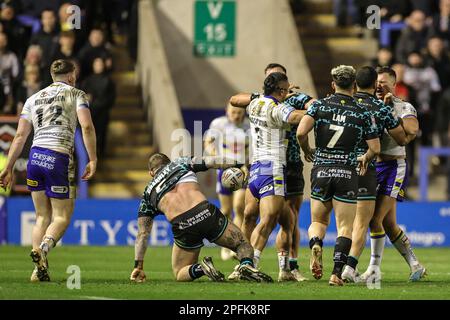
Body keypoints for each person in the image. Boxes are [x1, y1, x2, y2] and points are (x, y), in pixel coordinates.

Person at [0, 59, 97, 282]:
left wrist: (8, 168)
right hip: (58, 156)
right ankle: (43, 248)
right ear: (71, 76)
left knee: (42, 216)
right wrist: (93, 158)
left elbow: (20, 136)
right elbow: (87, 126)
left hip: (34, 158)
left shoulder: (32, 99)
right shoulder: (76, 94)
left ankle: (38, 271)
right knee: (62, 216)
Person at [296, 65, 381, 286]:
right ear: (354, 85)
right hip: (346, 172)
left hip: (321, 168)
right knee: (345, 227)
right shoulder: (364, 112)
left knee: (318, 221)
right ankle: (335, 274)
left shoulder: (319, 106)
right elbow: (375, 148)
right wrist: (365, 157)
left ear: (333, 84)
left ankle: (316, 242)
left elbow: (300, 132)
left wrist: (307, 151)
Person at [129, 153, 272, 283]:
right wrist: (238, 163)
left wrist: (138, 266)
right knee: (243, 244)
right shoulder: (180, 163)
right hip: (205, 212)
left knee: (179, 272)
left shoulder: (147, 194)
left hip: (183, 225)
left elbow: (143, 233)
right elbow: (213, 161)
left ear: (151, 173)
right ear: (168, 162)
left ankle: (201, 268)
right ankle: (246, 265)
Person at [229, 63, 314, 281]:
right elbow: (297, 117)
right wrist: (320, 110)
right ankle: (249, 265)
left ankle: (285, 269)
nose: (288, 93)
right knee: (267, 220)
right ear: (280, 91)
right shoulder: (279, 108)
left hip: (256, 167)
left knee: (287, 220)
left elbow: (237, 100)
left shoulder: (255, 103)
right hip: (272, 167)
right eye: (285, 90)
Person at [340, 66, 408, 282]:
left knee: (343, 222)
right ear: (373, 84)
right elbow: (403, 138)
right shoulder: (380, 108)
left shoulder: (344, 105)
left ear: (354, 84)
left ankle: (336, 266)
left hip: (340, 167)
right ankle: (351, 268)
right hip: (367, 167)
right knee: (365, 221)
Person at [359, 67, 426, 282]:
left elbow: (411, 132)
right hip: (373, 167)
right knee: (388, 224)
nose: (379, 87)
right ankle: (415, 264)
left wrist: (389, 114)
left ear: (394, 85)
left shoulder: (403, 106)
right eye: (377, 83)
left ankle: (373, 269)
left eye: (384, 83)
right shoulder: (369, 106)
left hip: (394, 167)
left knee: (374, 219)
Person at [204, 103, 250, 261]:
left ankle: (235, 245)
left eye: (239, 112)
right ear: (227, 111)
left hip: (242, 170)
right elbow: (208, 142)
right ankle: (224, 245)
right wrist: (215, 156)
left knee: (239, 208)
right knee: (226, 210)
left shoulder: (248, 125)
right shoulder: (219, 124)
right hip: (224, 171)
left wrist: (248, 164)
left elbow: (252, 148)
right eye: (233, 112)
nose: (236, 115)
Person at [81, 57, 115, 156]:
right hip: (90, 113)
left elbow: (110, 99)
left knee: (101, 135)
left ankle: (101, 155)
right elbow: (84, 96)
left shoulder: (109, 81)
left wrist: (94, 101)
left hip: (102, 113)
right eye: (96, 64)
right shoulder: (87, 80)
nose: (98, 66)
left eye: (100, 64)